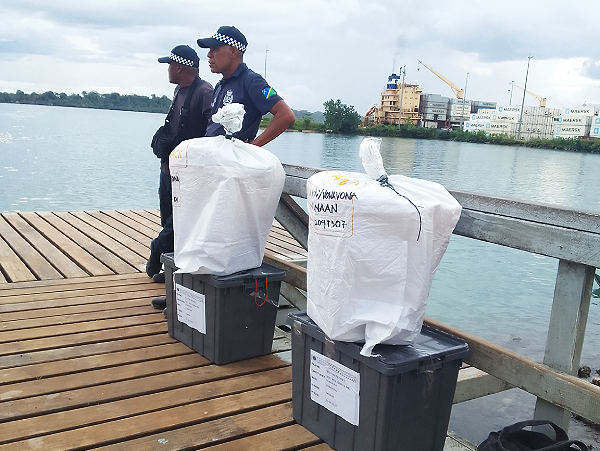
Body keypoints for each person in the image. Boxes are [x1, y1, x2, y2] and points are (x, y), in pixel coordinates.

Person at [147, 45, 213, 289]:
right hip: (168, 170)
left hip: (188, 175)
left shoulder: (205, 92)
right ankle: (170, 271)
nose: (167, 70)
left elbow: (213, 133)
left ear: (180, 67)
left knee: (178, 226)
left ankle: (156, 256)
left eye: (169, 65)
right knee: (168, 222)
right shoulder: (179, 90)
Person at [196, 26, 296, 145]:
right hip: (212, 158)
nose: (209, 54)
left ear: (233, 51)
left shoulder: (254, 82)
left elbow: (286, 115)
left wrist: (251, 148)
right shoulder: (219, 86)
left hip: (232, 161)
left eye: (215, 49)